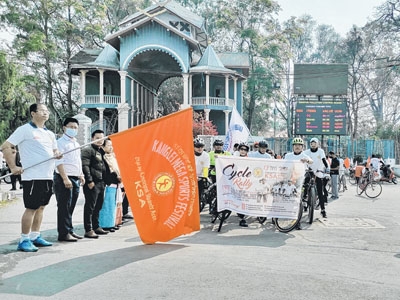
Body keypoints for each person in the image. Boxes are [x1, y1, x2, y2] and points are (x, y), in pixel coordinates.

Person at [1, 103, 62, 252]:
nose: (45, 113)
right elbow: (6, 146)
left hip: (47, 175)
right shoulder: (25, 130)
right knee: (31, 208)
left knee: (41, 207)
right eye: (42, 110)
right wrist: (13, 167)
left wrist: (57, 154)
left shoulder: (50, 133)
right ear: (33, 113)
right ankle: (24, 239)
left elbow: (54, 150)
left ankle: (35, 236)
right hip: (32, 177)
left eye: (47, 111)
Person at [54, 117, 85, 242]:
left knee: (71, 206)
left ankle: (69, 230)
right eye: (71, 127)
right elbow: (59, 161)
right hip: (64, 178)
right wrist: (65, 178)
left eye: (75, 128)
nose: (73, 129)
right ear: (64, 128)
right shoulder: (60, 143)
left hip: (75, 177)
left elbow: (77, 161)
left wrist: (81, 174)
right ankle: (63, 233)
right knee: (64, 206)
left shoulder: (76, 143)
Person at [81, 129, 108, 238]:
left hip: (101, 182)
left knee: (98, 205)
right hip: (93, 183)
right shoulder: (88, 150)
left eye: (101, 138)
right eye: (97, 138)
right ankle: (88, 229)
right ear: (92, 138)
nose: (99, 140)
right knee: (90, 206)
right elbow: (85, 166)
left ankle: (96, 226)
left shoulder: (100, 150)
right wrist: (89, 180)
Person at [99, 138, 121, 232]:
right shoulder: (103, 157)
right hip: (108, 183)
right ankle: (104, 224)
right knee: (106, 205)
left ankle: (111, 223)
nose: (111, 147)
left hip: (115, 183)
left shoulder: (112, 156)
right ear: (103, 146)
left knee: (112, 205)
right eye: (109, 145)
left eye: (112, 145)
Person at [304, 137, 329, 218]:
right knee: (305, 185)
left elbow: (324, 160)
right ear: (310, 144)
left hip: (318, 172)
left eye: (315, 143)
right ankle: (304, 201)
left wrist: (327, 168)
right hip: (309, 171)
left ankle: (323, 210)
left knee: (320, 192)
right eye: (311, 143)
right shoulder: (306, 152)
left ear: (318, 144)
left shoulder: (320, 151)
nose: (313, 145)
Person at [194, 137, 210, 209]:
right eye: (197, 146)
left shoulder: (206, 155)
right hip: (191, 176)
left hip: (200, 177)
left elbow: (205, 168)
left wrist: (204, 176)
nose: (199, 148)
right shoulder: (189, 153)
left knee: (199, 194)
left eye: (201, 146)